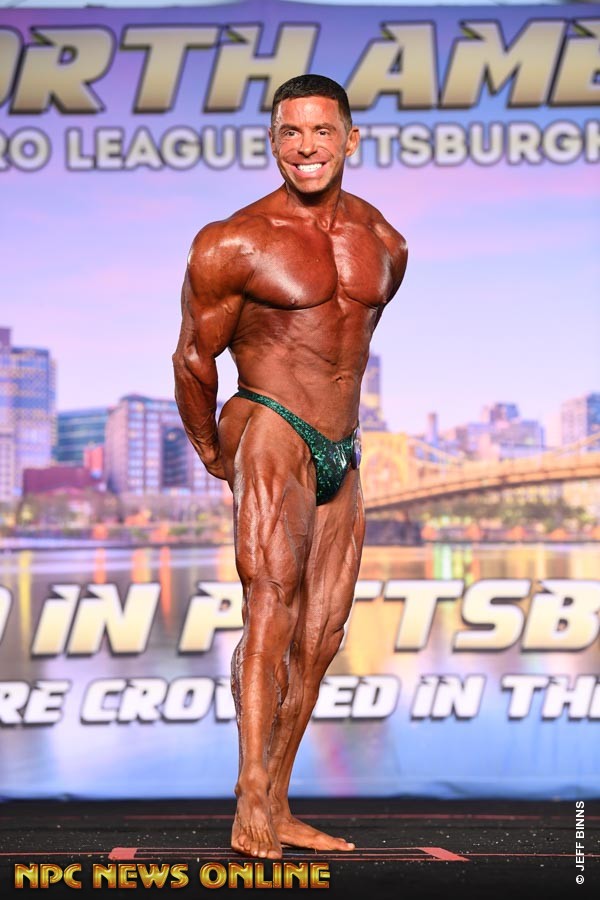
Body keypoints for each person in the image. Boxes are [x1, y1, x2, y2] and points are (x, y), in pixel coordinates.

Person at [172, 74, 407, 860]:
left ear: (350, 139)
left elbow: (345, 351)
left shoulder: (386, 243)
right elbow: (194, 358)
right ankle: (248, 797)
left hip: (344, 443)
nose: (306, 147)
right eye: (290, 133)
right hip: (273, 425)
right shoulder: (233, 242)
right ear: (274, 142)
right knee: (271, 607)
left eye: (321, 131)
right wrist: (215, 450)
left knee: (324, 631)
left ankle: (277, 799)